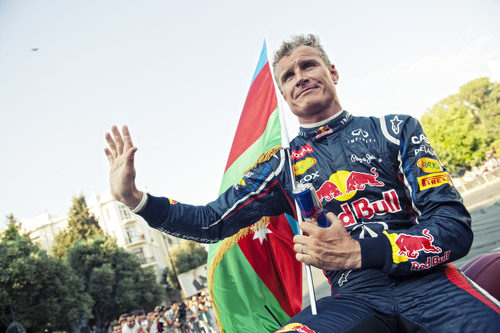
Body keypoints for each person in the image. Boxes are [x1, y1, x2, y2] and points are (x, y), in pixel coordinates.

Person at [105, 34, 500, 332]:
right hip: (353, 300)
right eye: (288, 76)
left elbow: (453, 229)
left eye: (308, 65)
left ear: (333, 72)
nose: (300, 78)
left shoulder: (396, 129)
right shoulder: (281, 166)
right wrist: (136, 200)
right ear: (284, 96)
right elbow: (212, 220)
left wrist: (361, 251)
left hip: (430, 285)